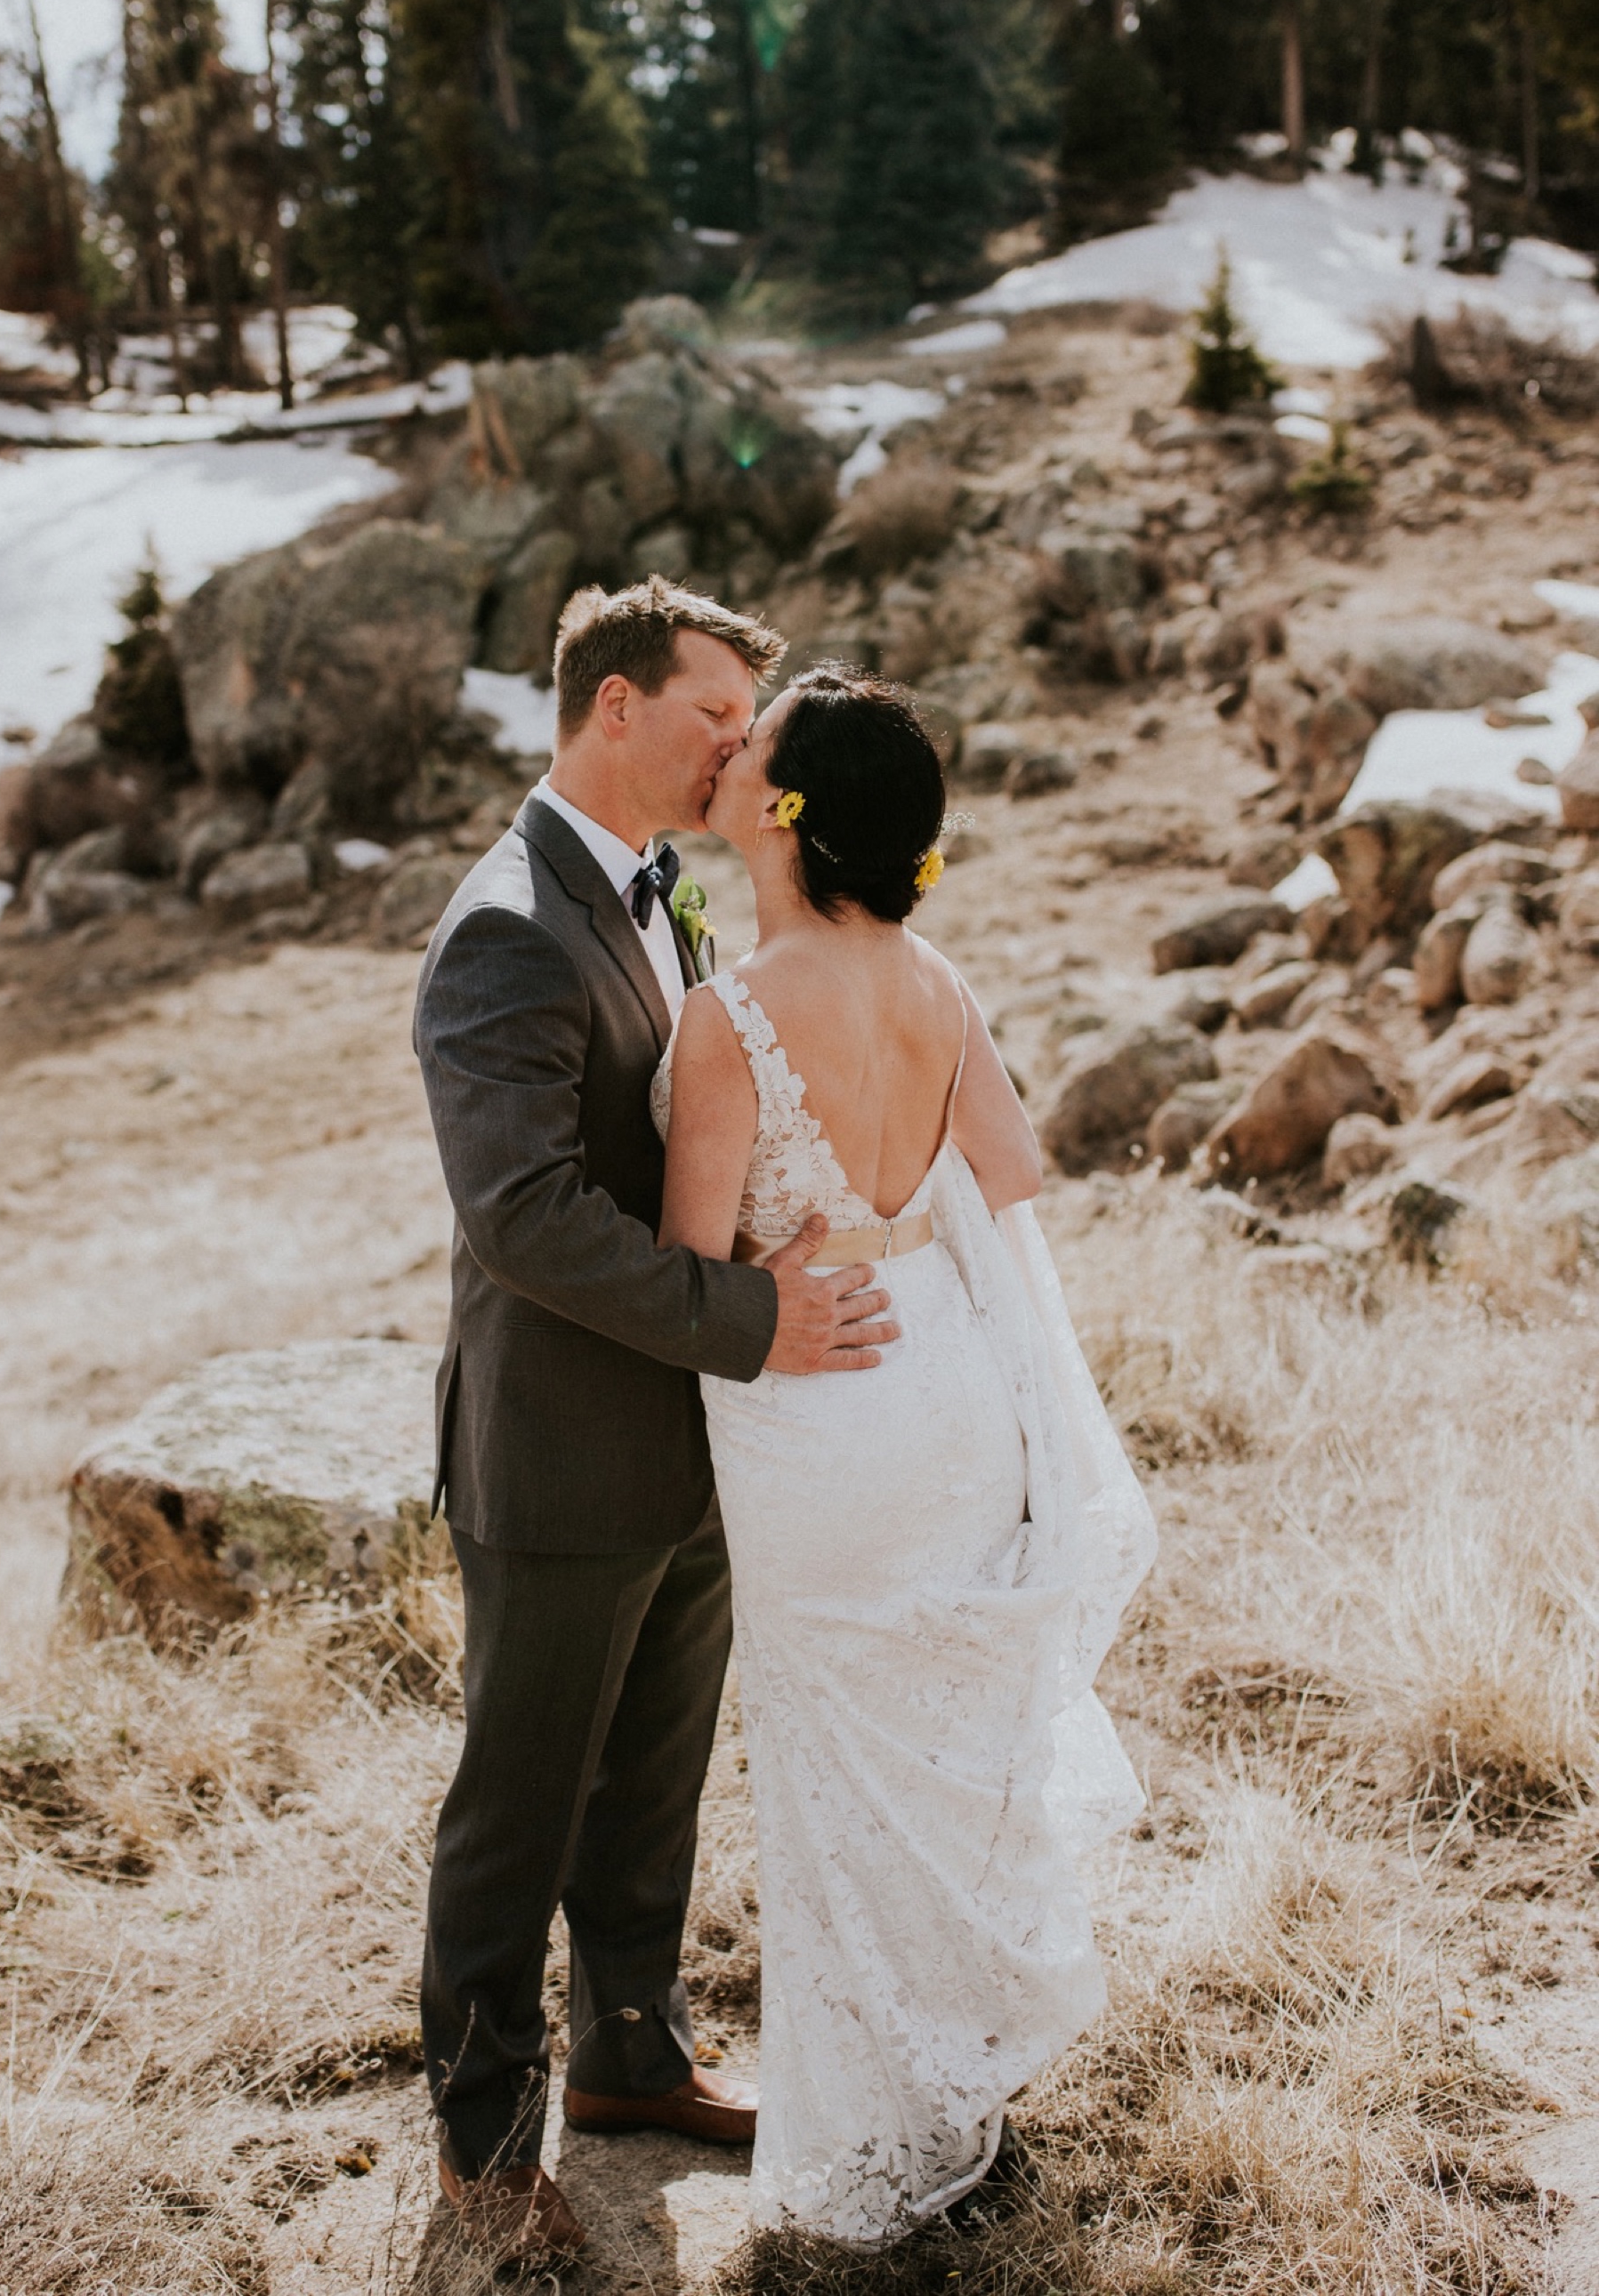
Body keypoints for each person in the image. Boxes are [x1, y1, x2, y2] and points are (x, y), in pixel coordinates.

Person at [413, 582, 900, 2262]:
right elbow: (527, 1218)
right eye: (713, 712)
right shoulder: (502, 927)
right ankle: (486, 2142)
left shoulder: (667, 897)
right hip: (556, 1457)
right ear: (613, 706)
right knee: (520, 1799)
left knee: (652, 1780)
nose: (733, 748)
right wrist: (758, 1322)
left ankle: (631, 2055)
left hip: (690, 1453)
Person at [654, 662, 1157, 2247]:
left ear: (787, 817)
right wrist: (886, 1202)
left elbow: (690, 1267)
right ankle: (953, 2086)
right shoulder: (935, 980)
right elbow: (1003, 1167)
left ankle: (866, 2142)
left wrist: (792, 1250)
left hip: (819, 1401)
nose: (733, 756)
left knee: (830, 1769)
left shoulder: (731, 1015)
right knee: (934, 1752)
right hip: (942, 1377)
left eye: (761, 749)